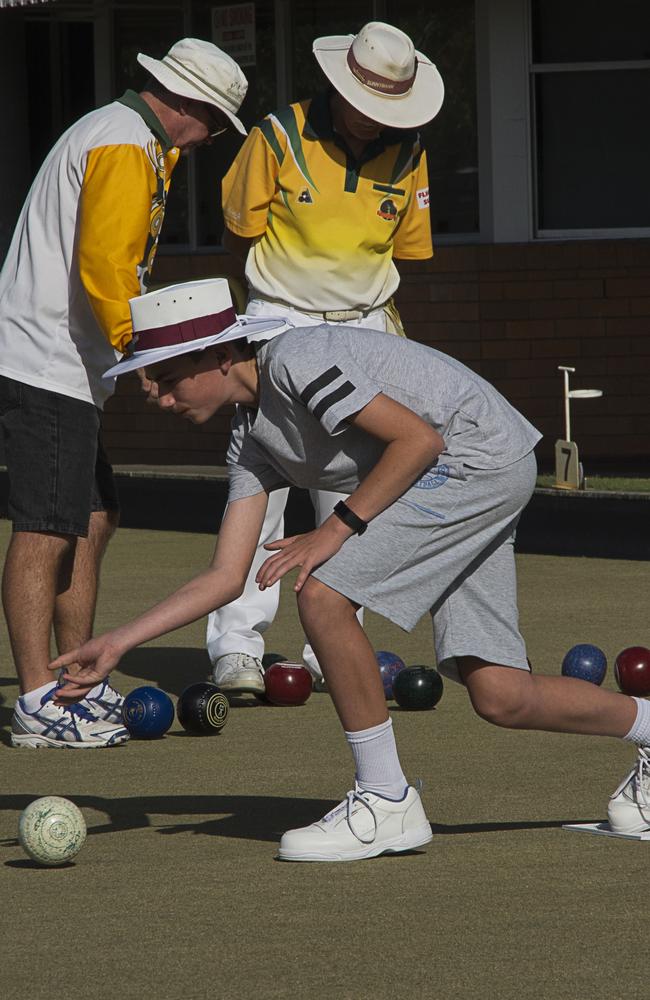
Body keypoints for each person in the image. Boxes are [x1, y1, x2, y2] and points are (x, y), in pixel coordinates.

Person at [51, 278, 650, 860]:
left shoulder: (297, 359)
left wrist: (333, 529)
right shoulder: (249, 440)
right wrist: (118, 642)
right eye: (148, 380)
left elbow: (418, 441)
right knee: (502, 695)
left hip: (474, 457)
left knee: (322, 594)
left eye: (165, 375)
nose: (154, 394)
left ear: (221, 353)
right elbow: (225, 577)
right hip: (475, 467)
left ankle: (386, 800)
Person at [0, 38, 249, 748]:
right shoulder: (122, 142)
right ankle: (39, 702)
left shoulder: (130, 139)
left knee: (95, 515)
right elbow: (106, 264)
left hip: (68, 364)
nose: (212, 140)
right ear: (189, 106)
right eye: (215, 124)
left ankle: (75, 679)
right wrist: (144, 354)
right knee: (47, 526)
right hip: (46, 359)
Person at [205, 21, 445, 696]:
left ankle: (333, 641)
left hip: (367, 330)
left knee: (354, 492)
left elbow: (406, 256)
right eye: (367, 104)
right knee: (263, 485)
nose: (376, 121)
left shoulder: (410, 152)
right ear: (340, 86)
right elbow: (237, 236)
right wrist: (246, 328)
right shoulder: (276, 137)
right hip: (280, 321)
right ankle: (236, 645)